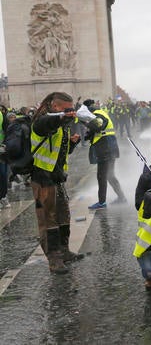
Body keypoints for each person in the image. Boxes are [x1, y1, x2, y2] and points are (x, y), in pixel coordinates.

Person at [30, 92, 84, 274]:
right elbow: (47, 125)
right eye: (67, 109)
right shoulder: (42, 120)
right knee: (48, 220)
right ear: (55, 107)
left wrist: (72, 143)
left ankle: (64, 251)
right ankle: (54, 260)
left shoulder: (63, 124)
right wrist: (61, 118)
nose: (71, 112)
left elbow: (61, 152)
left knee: (63, 216)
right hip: (42, 177)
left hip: (57, 177)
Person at [82, 99, 127, 209]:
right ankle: (122, 198)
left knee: (102, 175)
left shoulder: (97, 114)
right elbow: (97, 129)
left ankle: (102, 202)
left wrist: (86, 123)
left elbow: (99, 126)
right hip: (109, 147)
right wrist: (88, 135)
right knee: (110, 175)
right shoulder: (100, 113)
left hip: (105, 148)